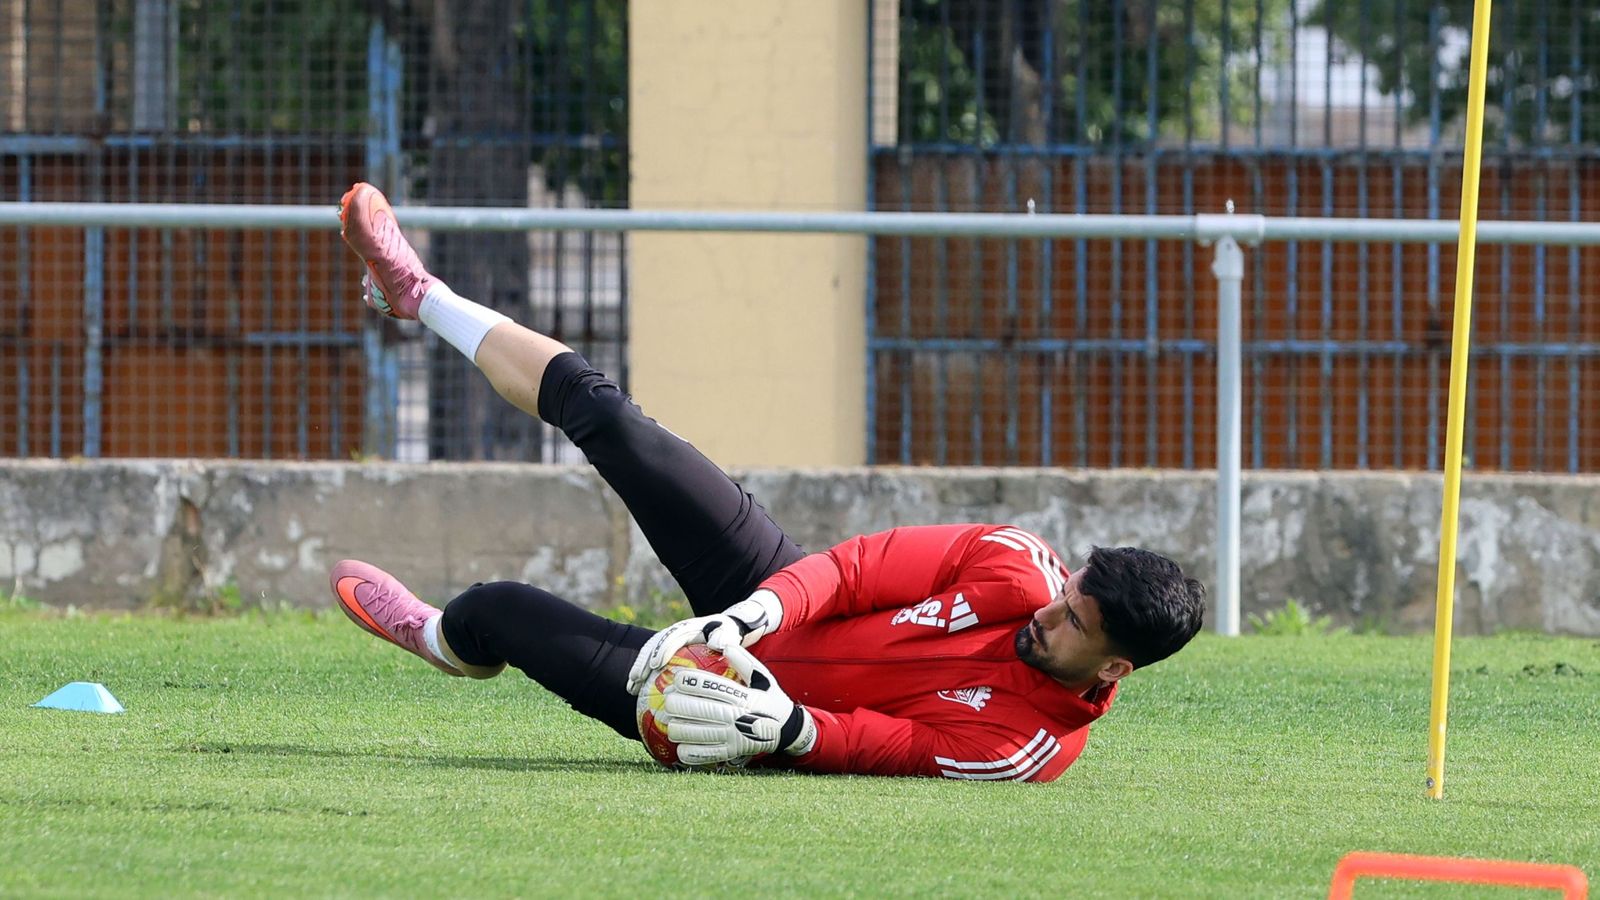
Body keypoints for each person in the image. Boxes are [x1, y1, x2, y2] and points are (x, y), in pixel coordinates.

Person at [330, 182, 1207, 782]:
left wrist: (787, 729)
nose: (1052, 609)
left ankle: (441, 638)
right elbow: (859, 569)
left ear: (1115, 665)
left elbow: (887, 747)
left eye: (1074, 622)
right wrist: (763, 608)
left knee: (497, 608)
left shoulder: (1029, 747)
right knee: (617, 422)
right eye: (1071, 592)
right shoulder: (1018, 567)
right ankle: (418, 294)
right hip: (777, 593)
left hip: (736, 707)